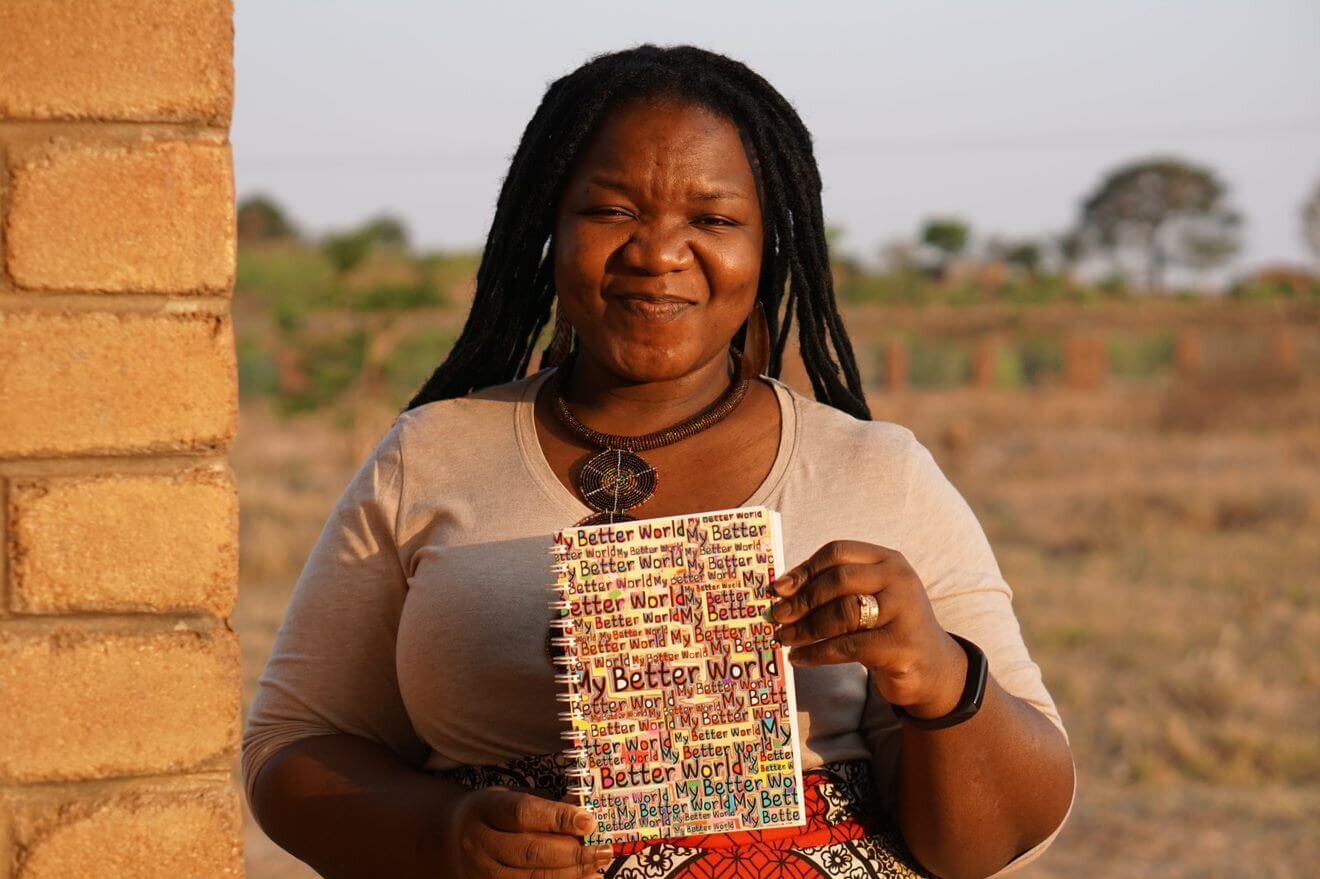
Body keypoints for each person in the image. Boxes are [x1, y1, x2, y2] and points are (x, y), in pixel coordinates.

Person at [242, 43, 1076, 879]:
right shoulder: (428, 456)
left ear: (768, 246)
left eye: (712, 220)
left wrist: (938, 676)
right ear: (550, 226)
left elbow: (1000, 836)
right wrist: (444, 833)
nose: (657, 252)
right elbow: (290, 750)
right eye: (612, 211)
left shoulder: (876, 471)